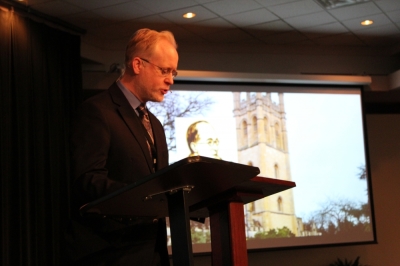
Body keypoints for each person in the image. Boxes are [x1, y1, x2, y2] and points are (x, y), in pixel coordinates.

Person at [65, 28, 178, 266]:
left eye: (173, 72)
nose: (170, 80)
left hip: (153, 253)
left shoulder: (155, 124)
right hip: (111, 253)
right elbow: (88, 180)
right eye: (164, 70)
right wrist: (142, 198)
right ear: (138, 64)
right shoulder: (97, 111)